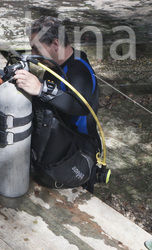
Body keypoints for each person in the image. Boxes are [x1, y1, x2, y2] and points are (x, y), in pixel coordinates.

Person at [13, 16, 103, 192]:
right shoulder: (54, 66)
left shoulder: (79, 70)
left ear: (55, 43)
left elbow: (80, 107)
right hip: (55, 139)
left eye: (36, 48)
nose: (33, 54)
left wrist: (40, 88)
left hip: (77, 148)